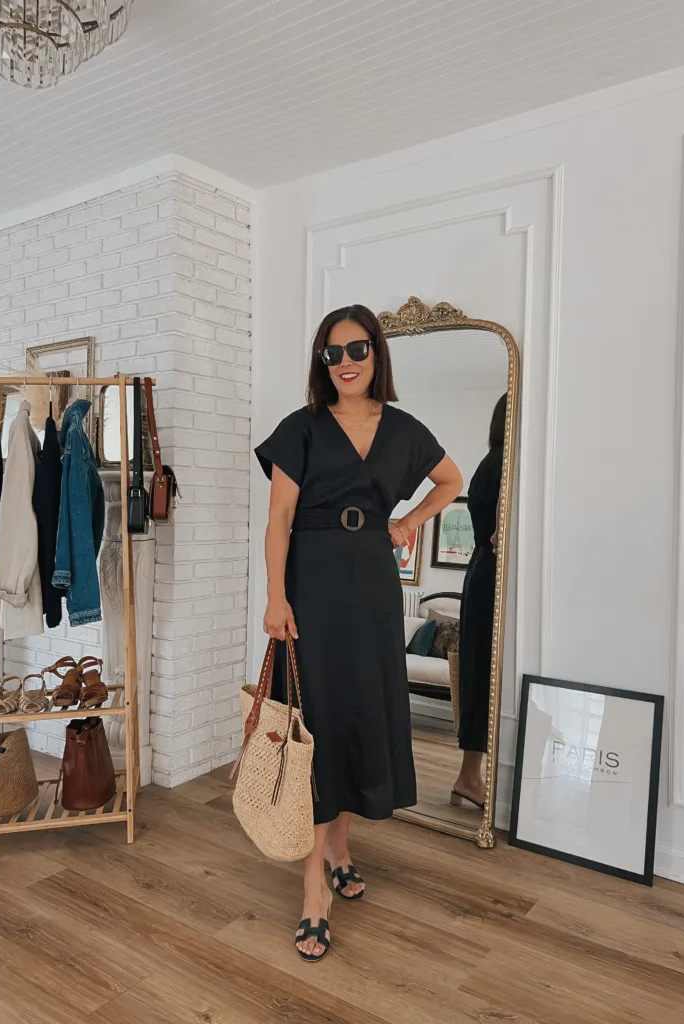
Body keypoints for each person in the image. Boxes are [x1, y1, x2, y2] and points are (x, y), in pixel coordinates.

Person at [256, 304, 462, 962]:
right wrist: (275, 597)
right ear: (322, 363)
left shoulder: (404, 430)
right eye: (332, 353)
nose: (345, 362)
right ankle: (313, 883)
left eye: (357, 349)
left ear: (377, 354)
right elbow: (279, 521)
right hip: (313, 584)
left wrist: (408, 525)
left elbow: (450, 481)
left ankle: (340, 847)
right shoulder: (302, 429)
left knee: (355, 717)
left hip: (374, 581)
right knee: (317, 720)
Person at [451, 393, 507, 809]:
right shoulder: (503, 463)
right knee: (484, 671)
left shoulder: (491, 461)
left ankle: (470, 774)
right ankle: (471, 776)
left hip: (481, 574)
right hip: (489, 577)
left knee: (479, 670)